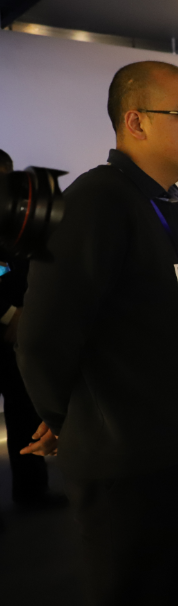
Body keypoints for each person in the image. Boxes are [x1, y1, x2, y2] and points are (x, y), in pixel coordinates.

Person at [17, 61, 178, 605]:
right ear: (136, 122)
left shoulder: (164, 204)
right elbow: (42, 337)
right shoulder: (97, 201)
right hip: (129, 464)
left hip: (177, 450)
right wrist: (74, 421)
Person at [0, 151, 63, 520]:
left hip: (20, 337)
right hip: (10, 324)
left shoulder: (19, 219)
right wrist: (10, 314)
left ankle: (32, 490)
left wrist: (28, 313)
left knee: (25, 412)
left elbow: (32, 269)